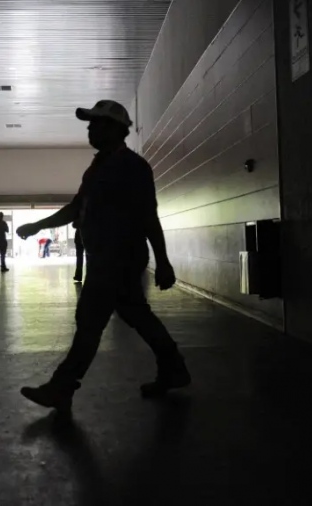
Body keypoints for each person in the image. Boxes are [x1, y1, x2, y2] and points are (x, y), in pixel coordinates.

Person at [16, 99, 190, 413]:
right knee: (136, 315)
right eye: (90, 124)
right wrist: (37, 225)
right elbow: (75, 208)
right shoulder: (97, 167)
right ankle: (173, 368)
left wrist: (163, 261)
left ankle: (61, 387)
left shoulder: (132, 167)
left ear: (116, 129)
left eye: (96, 124)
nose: (90, 129)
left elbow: (148, 216)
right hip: (105, 258)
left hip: (118, 259)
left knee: (90, 320)